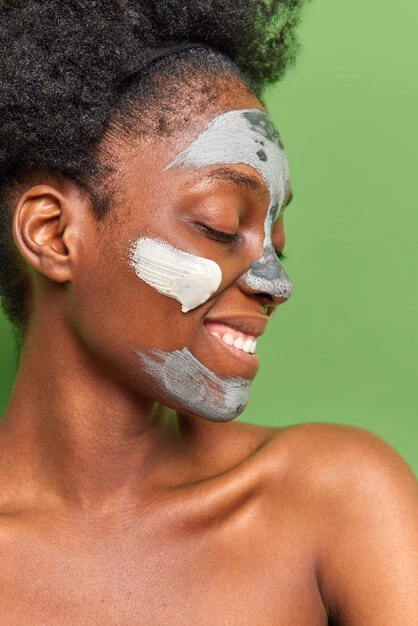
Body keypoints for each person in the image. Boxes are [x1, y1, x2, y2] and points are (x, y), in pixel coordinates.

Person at [0, 1, 417, 623]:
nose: (277, 283)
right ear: (54, 234)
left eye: (275, 241)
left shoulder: (338, 499)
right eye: (220, 227)